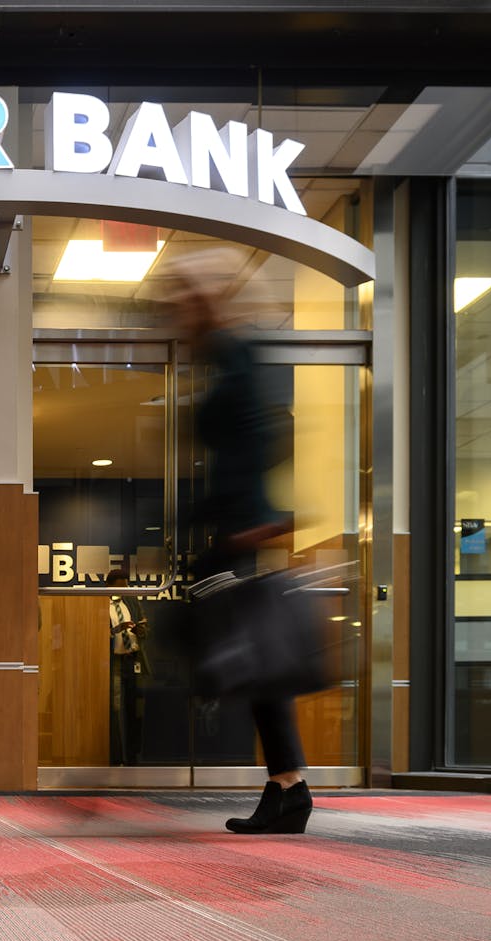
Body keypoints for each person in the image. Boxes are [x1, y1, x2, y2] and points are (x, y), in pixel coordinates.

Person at [164, 249, 313, 835]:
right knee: (255, 662)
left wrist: (257, 516)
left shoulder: (236, 351)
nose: (174, 306)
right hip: (229, 526)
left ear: (207, 298)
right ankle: (288, 787)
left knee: (243, 656)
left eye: (182, 294)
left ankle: (289, 788)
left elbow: (261, 434)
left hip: (239, 527)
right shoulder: (220, 354)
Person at [106, 571, 149, 766]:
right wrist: (116, 629)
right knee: (113, 709)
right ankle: (115, 756)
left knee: (135, 709)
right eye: (120, 586)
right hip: (113, 662)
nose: (124, 590)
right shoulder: (100, 605)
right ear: (109, 586)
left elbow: (145, 629)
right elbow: (94, 633)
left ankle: (133, 756)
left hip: (133, 659)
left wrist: (140, 629)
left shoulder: (131, 601)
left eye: (126, 586)